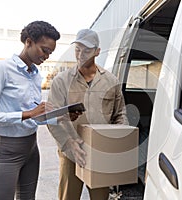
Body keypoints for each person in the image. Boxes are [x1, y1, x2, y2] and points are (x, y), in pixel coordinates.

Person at [0, 21, 60, 200]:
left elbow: (35, 117)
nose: (46, 56)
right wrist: (26, 114)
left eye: (50, 53)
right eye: (44, 50)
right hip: (6, 151)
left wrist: (61, 116)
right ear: (28, 42)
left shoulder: (35, 74)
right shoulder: (2, 70)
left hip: (31, 148)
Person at [47, 29, 128, 200]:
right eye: (78, 49)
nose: (81, 54)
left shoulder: (111, 81)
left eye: (87, 50)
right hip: (71, 152)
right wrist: (69, 144)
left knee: (100, 197)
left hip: (100, 152)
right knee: (68, 196)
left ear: (98, 51)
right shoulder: (61, 81)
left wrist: (118, 140)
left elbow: (119, 114)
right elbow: (51, 118)